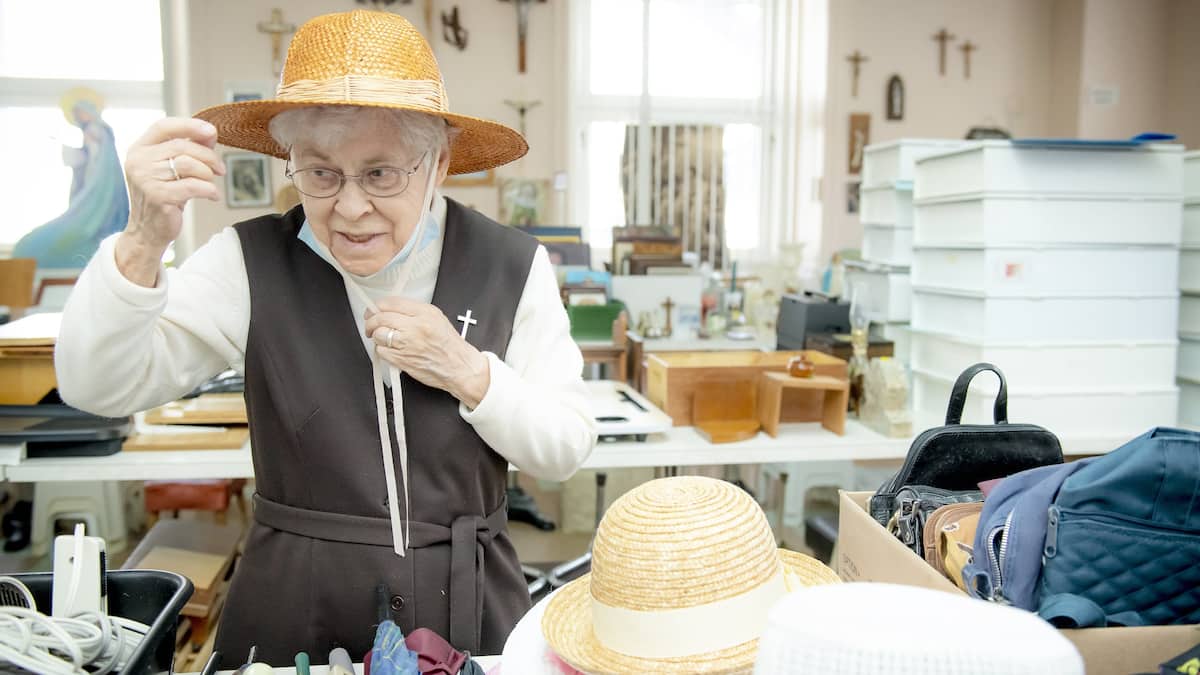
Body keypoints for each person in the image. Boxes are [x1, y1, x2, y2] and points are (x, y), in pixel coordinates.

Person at [54, 10, 596, 668]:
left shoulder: (512, 266)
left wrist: (466, 370)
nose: (349, 207)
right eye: (320, 173)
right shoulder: (248, 262)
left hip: (470, 609)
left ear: (440, 163)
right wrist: (142, 240)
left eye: (380, 174)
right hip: (291, 615)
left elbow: (567, 444)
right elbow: (95, 385)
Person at [15, 87, 130, 268]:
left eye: (80, 112)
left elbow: (99, 159)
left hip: (100, 184)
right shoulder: (95, 131)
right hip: (92, 179)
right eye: (75, 114)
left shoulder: (96, 130)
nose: (78, 117)